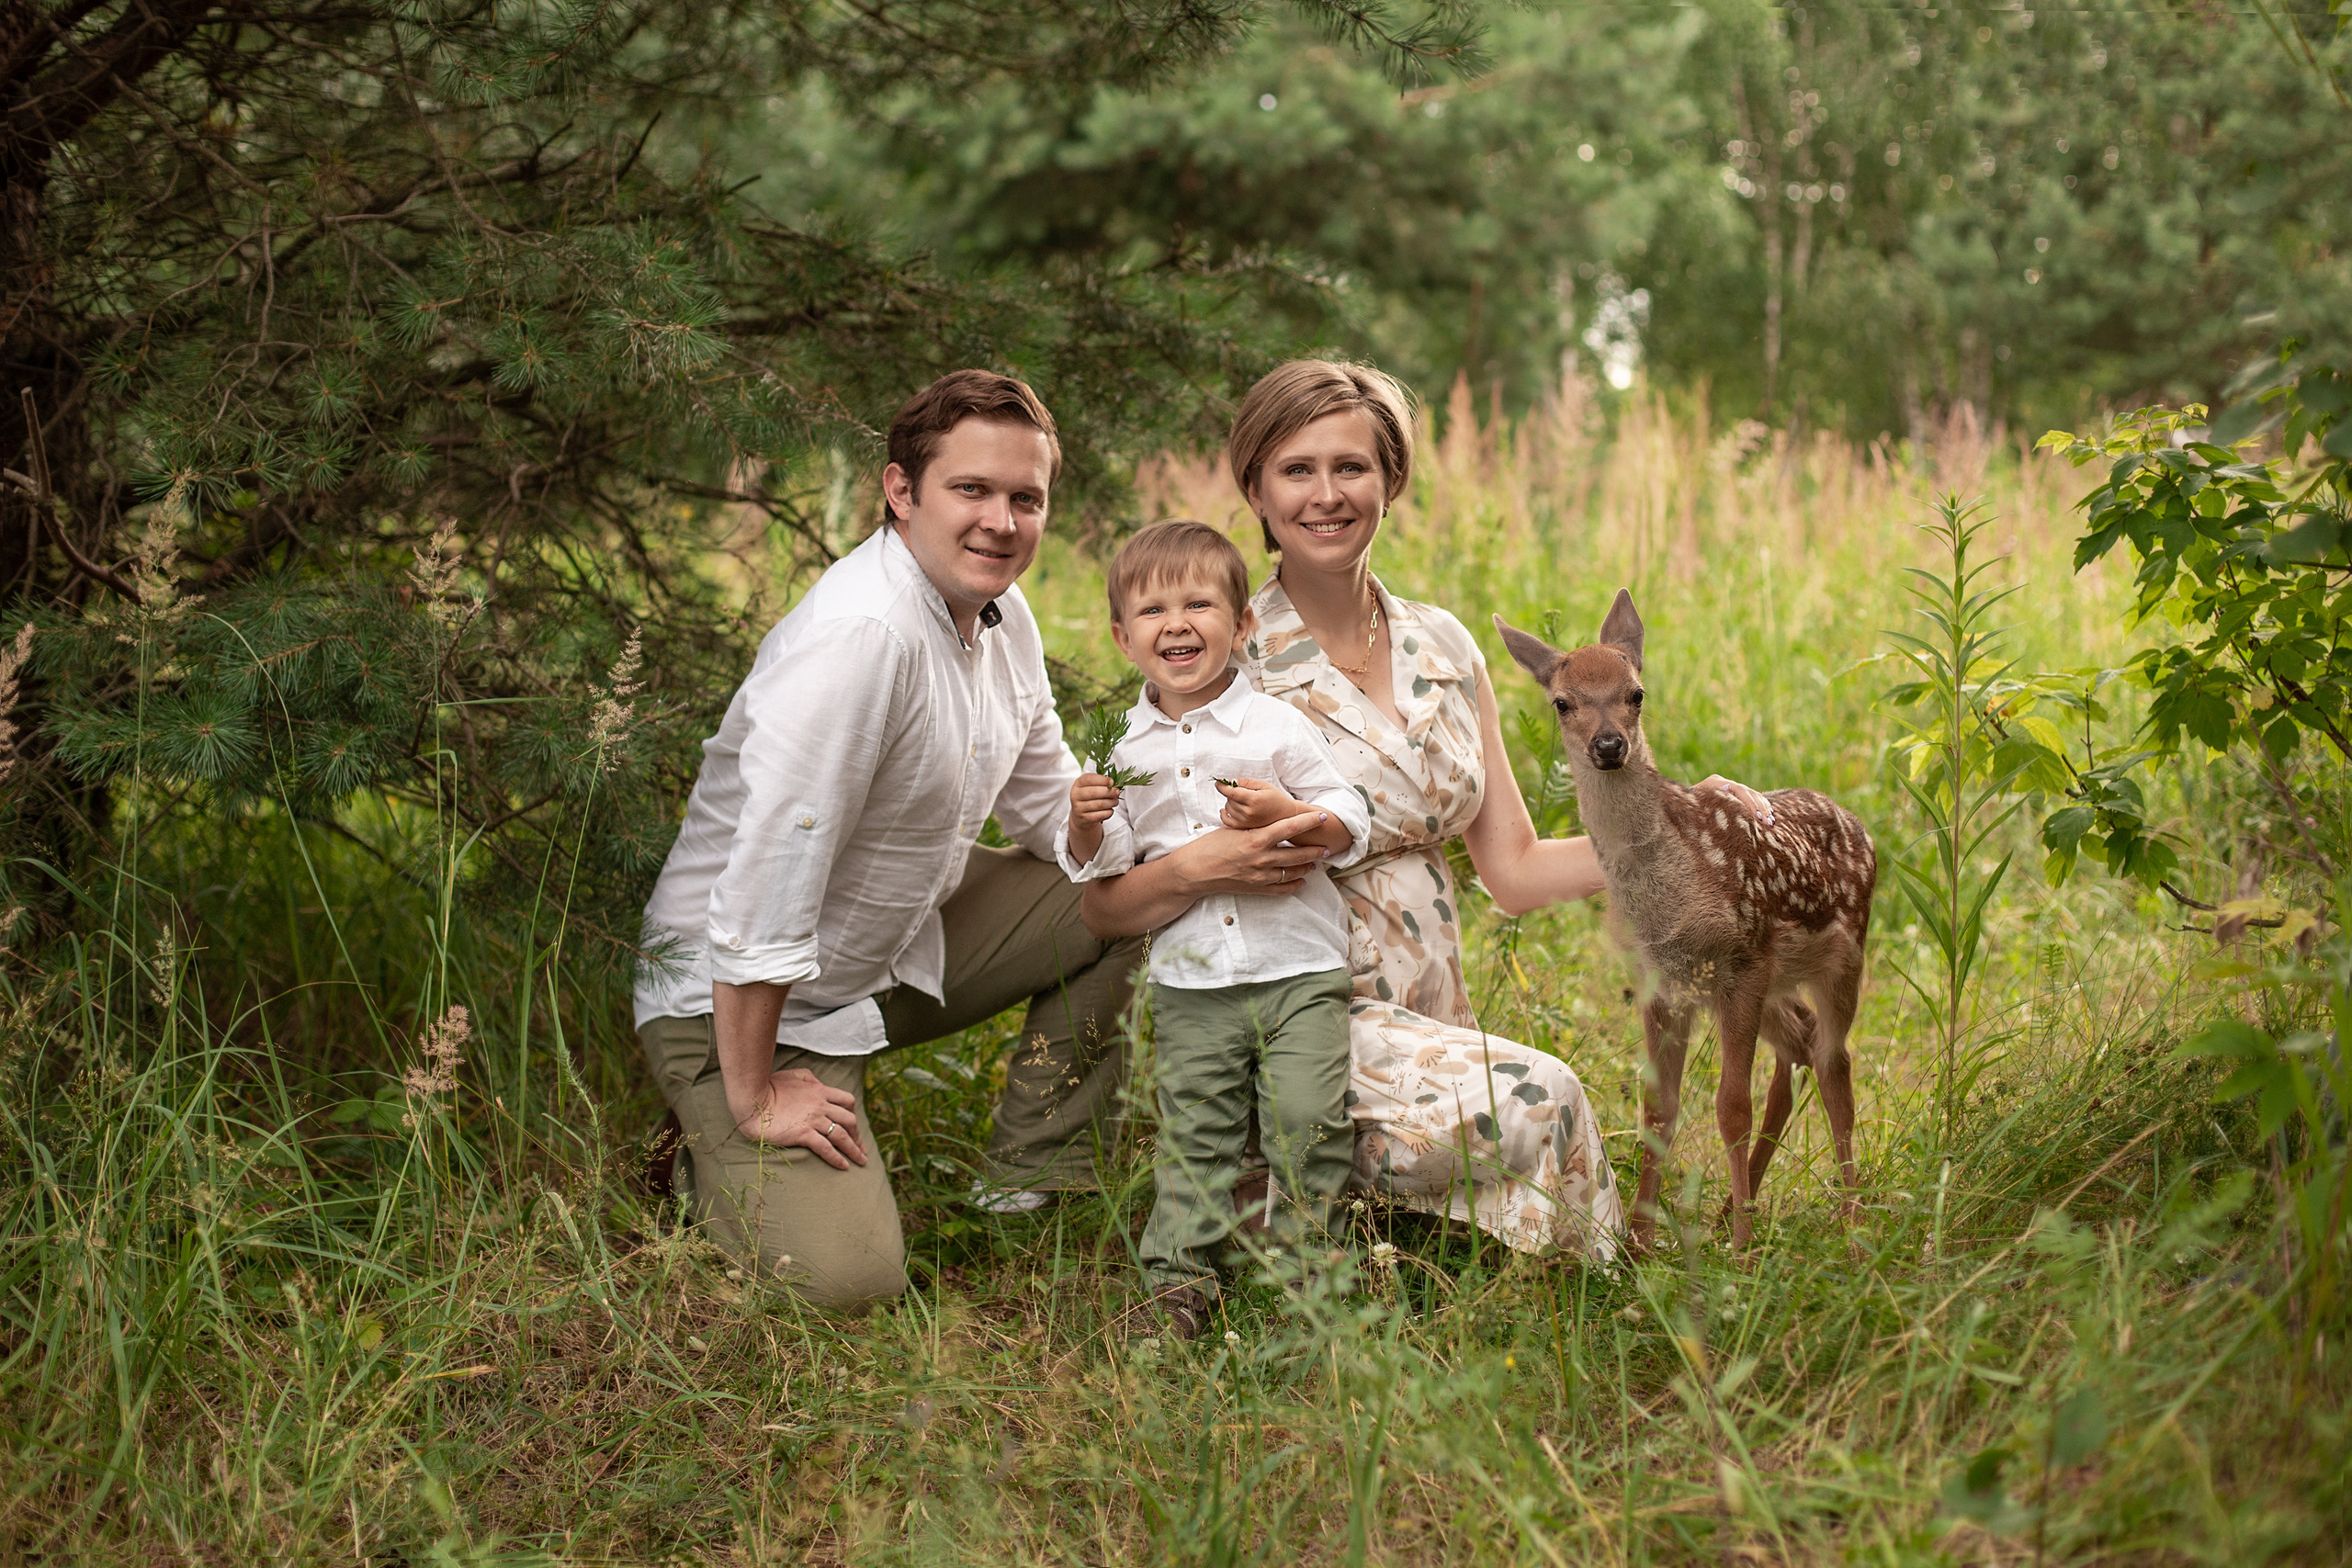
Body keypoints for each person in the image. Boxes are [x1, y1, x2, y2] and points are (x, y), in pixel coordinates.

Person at [1081, 360, 1773, 1259]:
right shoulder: (1220, 653)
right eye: (1296, 470)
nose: (1326, 494)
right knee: (1546, 1095)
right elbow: (1108, 904)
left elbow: (1515, 872)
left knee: (1514, 1094)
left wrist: (1676, 821)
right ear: (1253, 485)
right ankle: (1271, 1183)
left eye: (1351, 467)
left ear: (1391, 478)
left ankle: (1352, 1215)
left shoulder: (1442, 646)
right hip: (1289, 1014)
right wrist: (1196, 865)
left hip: (1426, 1019)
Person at [633, 369, 1148, 1310]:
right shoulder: (861, 638)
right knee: (848, 1286)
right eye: (972, 490)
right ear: (901, 491)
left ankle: (1031, 1175)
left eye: (1025, 499)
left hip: (885, 949)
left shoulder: (1003, 617)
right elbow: (766, 883)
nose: (1001, 521)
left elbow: (1047, 813)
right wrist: (753, 1097)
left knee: (1133, 897)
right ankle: (702, 1150)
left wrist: (1189, 851)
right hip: (735, 1013)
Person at [1056, 520, 1371, 1337]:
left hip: (1299, 968)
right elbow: (1111, 866)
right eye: (1153, 609)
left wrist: (1294, 814)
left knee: (1309, 1118)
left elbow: (1349, 813)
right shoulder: (1122, 748)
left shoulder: (1276, 727)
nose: (1177, 622)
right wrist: (1088, 825)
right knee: (1196, 1133)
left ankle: (1313, 1288)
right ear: (1125, 638)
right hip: (1193, 980)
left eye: (1199, 602)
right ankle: (1176, 1286)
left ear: (1242, 626)